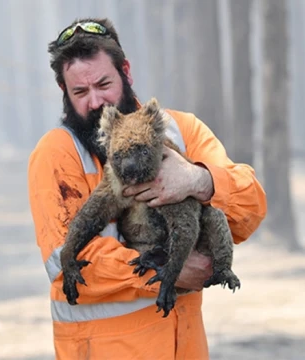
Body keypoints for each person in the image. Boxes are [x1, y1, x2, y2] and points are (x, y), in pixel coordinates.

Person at [27, 17, 267, 359]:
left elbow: (251, 206)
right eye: (80, 92)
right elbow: (64, 257)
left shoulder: (180, 130)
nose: (96, 102)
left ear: (126, 71)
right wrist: (167, 270)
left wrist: (200, 180)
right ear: (64, 91)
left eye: (103, 84)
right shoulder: (57, 153)